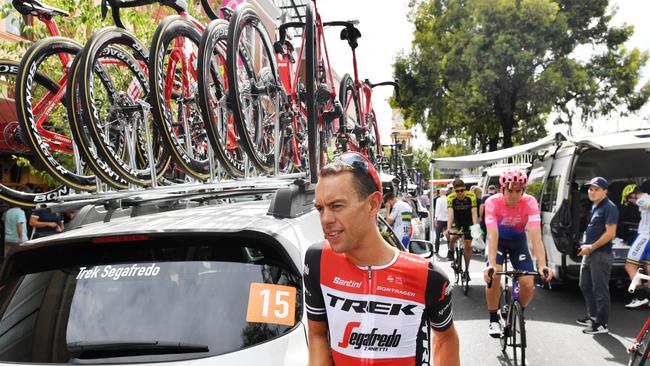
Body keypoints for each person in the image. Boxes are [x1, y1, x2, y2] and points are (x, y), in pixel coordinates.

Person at [305, 152, 460, 365]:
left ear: (373, 204)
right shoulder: (317, 260)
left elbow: (445, 339)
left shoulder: (428, 277)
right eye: (320, 208)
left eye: (336, 206)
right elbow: (317, 334)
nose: (325, 219)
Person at [483, 169, 553, 337]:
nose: (514, 195)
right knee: (494, 276)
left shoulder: (530, 202)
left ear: (523, 190)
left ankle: (517, 312)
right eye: (510, 191)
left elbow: (536, 235)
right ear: (502, 190)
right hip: (498, 241)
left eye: (518, 191)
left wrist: (542, 264)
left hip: (518, 242)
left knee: (528, 282)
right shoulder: (492, 202)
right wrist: (492, 264)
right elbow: (492, 234)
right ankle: (493, 319)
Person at [576, 177, 618, 334]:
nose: (592, 192)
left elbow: (611, 233)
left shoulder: (610, 207)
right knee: (585, 285)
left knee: (600, 290)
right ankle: (593, 317)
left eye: (596, 189)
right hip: (590, 252)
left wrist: (591, 247)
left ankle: (601, 325)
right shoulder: (596, 206)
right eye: (590, 189)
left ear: (605, 191)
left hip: (600, 254)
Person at [623, 184, 650, 308]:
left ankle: (640, 298)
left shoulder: (641, 198)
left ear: (632, 194)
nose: (630, 202)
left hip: (645, 236)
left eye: (629, 199)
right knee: (648, 266)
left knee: (630, 265)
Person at [445, 179, 479, 270]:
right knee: (453, 237)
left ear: (465, 189)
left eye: (462, 190)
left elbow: (474, 213)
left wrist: (475, 228)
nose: (460, 193)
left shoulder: (471, 196)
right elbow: (450, 213)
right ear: (454, 191)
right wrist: (448, 228)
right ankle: (451, 251)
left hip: (468, 220)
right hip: (457, 220)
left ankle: (467, 270)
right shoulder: (450, 198)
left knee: (468, 246)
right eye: (457, 191)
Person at [434, 187, 450, 254]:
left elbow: (437, 209)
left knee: (437, 235)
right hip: (447, 219)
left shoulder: (439, 200)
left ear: (440, 193)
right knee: (448, 236)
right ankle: (450, 250)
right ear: (445, 193)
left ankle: (436, 250)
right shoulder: (448, 199)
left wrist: (435, 218)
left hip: (440, 219)